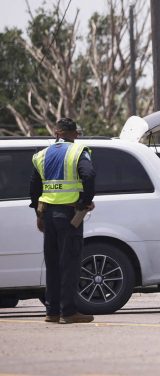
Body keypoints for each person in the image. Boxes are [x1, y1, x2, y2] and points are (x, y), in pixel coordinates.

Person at [30, 118, 96, 324]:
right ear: (75, 134)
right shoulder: (78, 151)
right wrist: (85, 202)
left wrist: (38, 214)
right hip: (69, 216)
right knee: (69, 264)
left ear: (56, 132)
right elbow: (89, 174)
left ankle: (52, 311)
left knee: (52, 264)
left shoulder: (41, 155)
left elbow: (34, 187)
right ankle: (68, 312)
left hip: (48, 215)